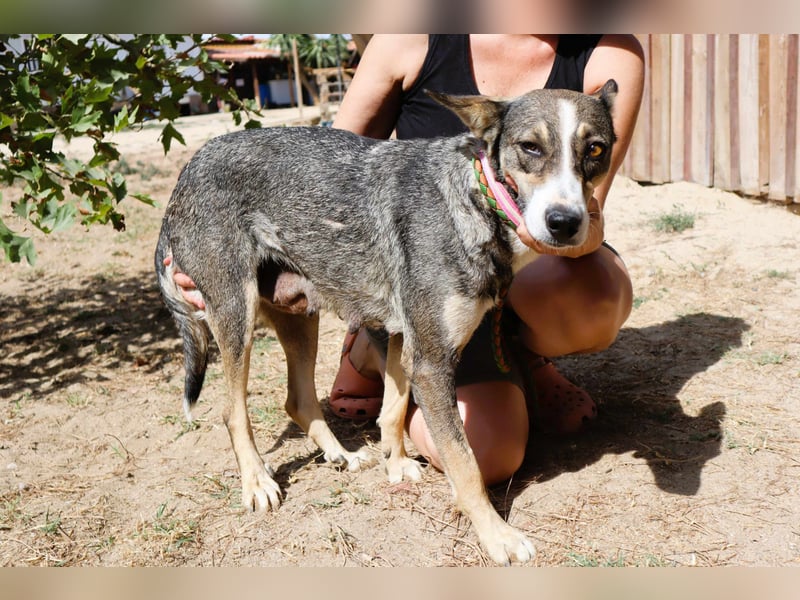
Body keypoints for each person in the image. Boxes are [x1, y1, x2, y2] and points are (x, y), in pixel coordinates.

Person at [172, 35, 644, 486]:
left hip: (511, 272)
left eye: (589, 152)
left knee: (597, 290)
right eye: (533, 150)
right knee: (492, 453)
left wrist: (563, 225)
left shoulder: (609, 51)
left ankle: (521, 356)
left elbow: (586, 214)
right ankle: (368, 343)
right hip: (425, 271)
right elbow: (327, 168)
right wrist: (205, 246)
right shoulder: (414, 34)